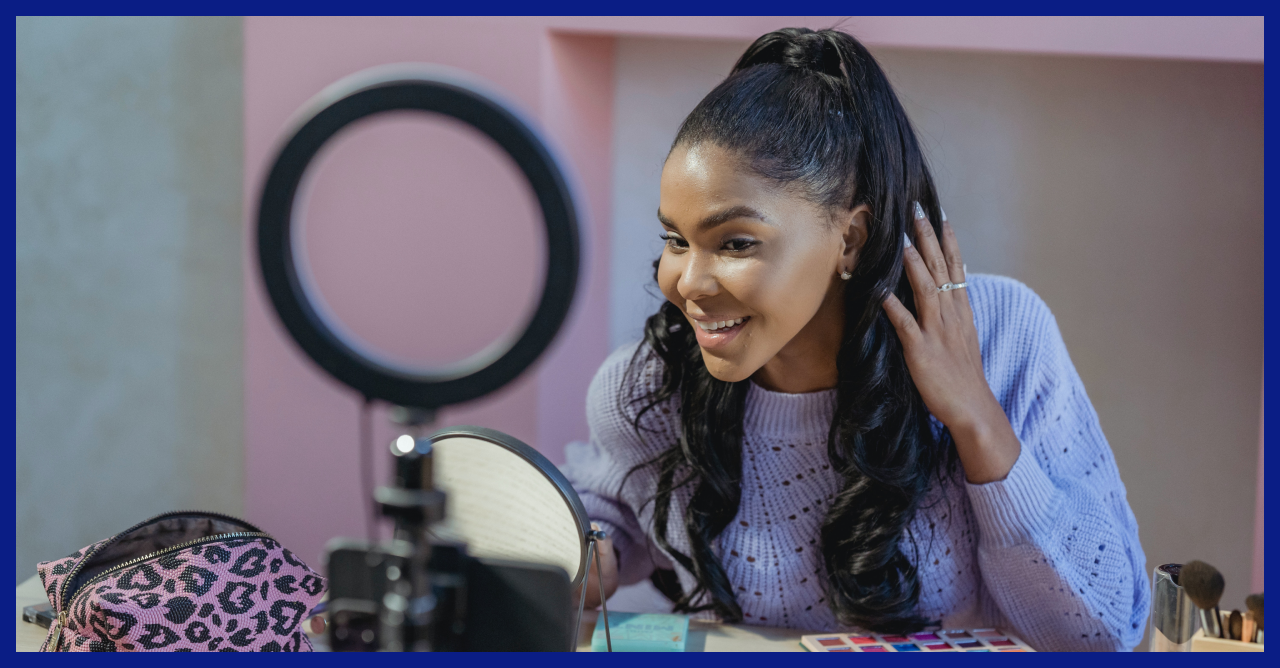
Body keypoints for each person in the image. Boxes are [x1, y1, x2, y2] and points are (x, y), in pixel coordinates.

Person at [561, 27, 1150, 651]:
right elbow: (610, 512)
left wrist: (974, 414)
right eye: (676, 241)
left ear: (850, 239)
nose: (689, 283)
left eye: (735, 242)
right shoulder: (651, 384)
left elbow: (1101, 634)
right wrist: (583, 555)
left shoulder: (1004, 336)